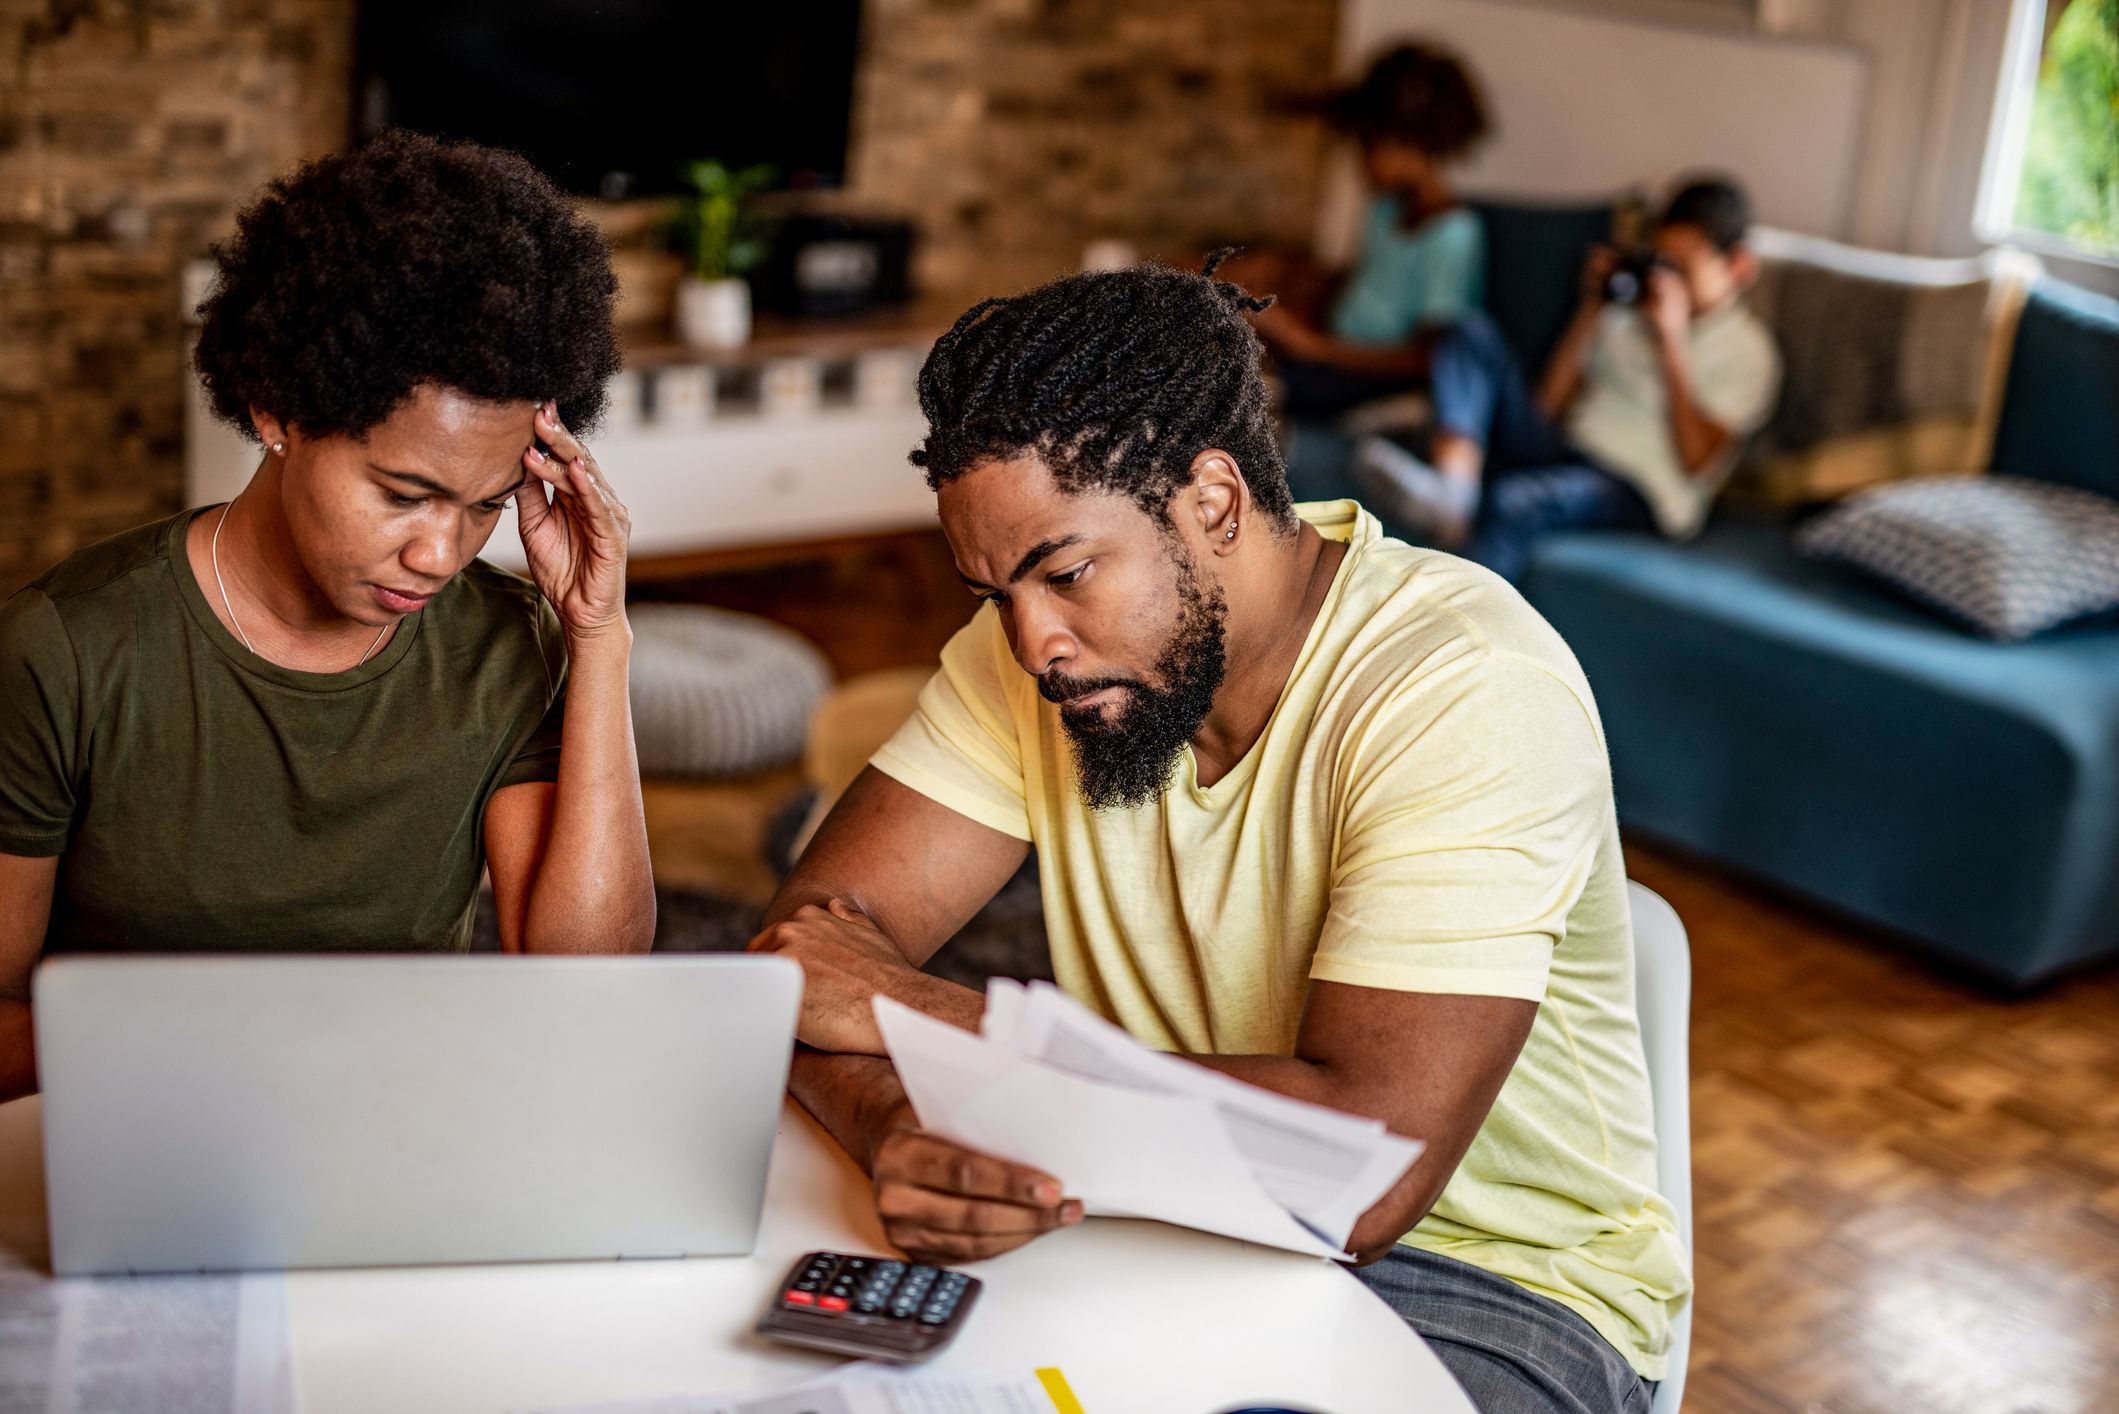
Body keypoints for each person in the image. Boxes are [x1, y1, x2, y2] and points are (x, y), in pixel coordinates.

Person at [749, 258, 1686, 1413]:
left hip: (1488, 1290)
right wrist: (897, 1124)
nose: (1033, 639)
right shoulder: (1045, 662)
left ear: (1215, 501)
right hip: (1164, 1223)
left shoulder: (1463, 685)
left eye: (1067, 572)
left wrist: (931, 1016)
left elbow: (1362, 1176)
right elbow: (801, 963)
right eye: (995, 594)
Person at [0, 132, 657, 1104]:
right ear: (279, 410)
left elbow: (583, 987)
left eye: (484, 506)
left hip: (392, 1124)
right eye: (402, 493)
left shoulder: (505, 643)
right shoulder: (68, 651)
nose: (440, 554)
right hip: (138, 1127)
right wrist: (220, 1058)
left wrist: (598, 636)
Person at [1355, 175, 1783, 582]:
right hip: (1570, 451)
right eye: (1663, 264)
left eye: (1684, 271)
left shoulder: (1749, 351)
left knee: (1517, 500)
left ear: (1739, 267)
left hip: (1640, 490)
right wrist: (1591, 307)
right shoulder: (1629, 316)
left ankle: (1455, 645)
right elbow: (1549, 405)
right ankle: (1453, 492)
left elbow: (1697, 463)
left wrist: (1671, 342)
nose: (1668, 282)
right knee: (1467, 331)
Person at [1242, 42, 1492, 418]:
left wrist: (1312, 346)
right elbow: (1369, 286)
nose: (1361, 163)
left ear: (1412, 144)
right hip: (1334, 350)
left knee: (1251, 390)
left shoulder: (1453, 234)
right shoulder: (1386, 209)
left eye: (1369, 147)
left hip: (1370, 378)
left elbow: (1425, 358)